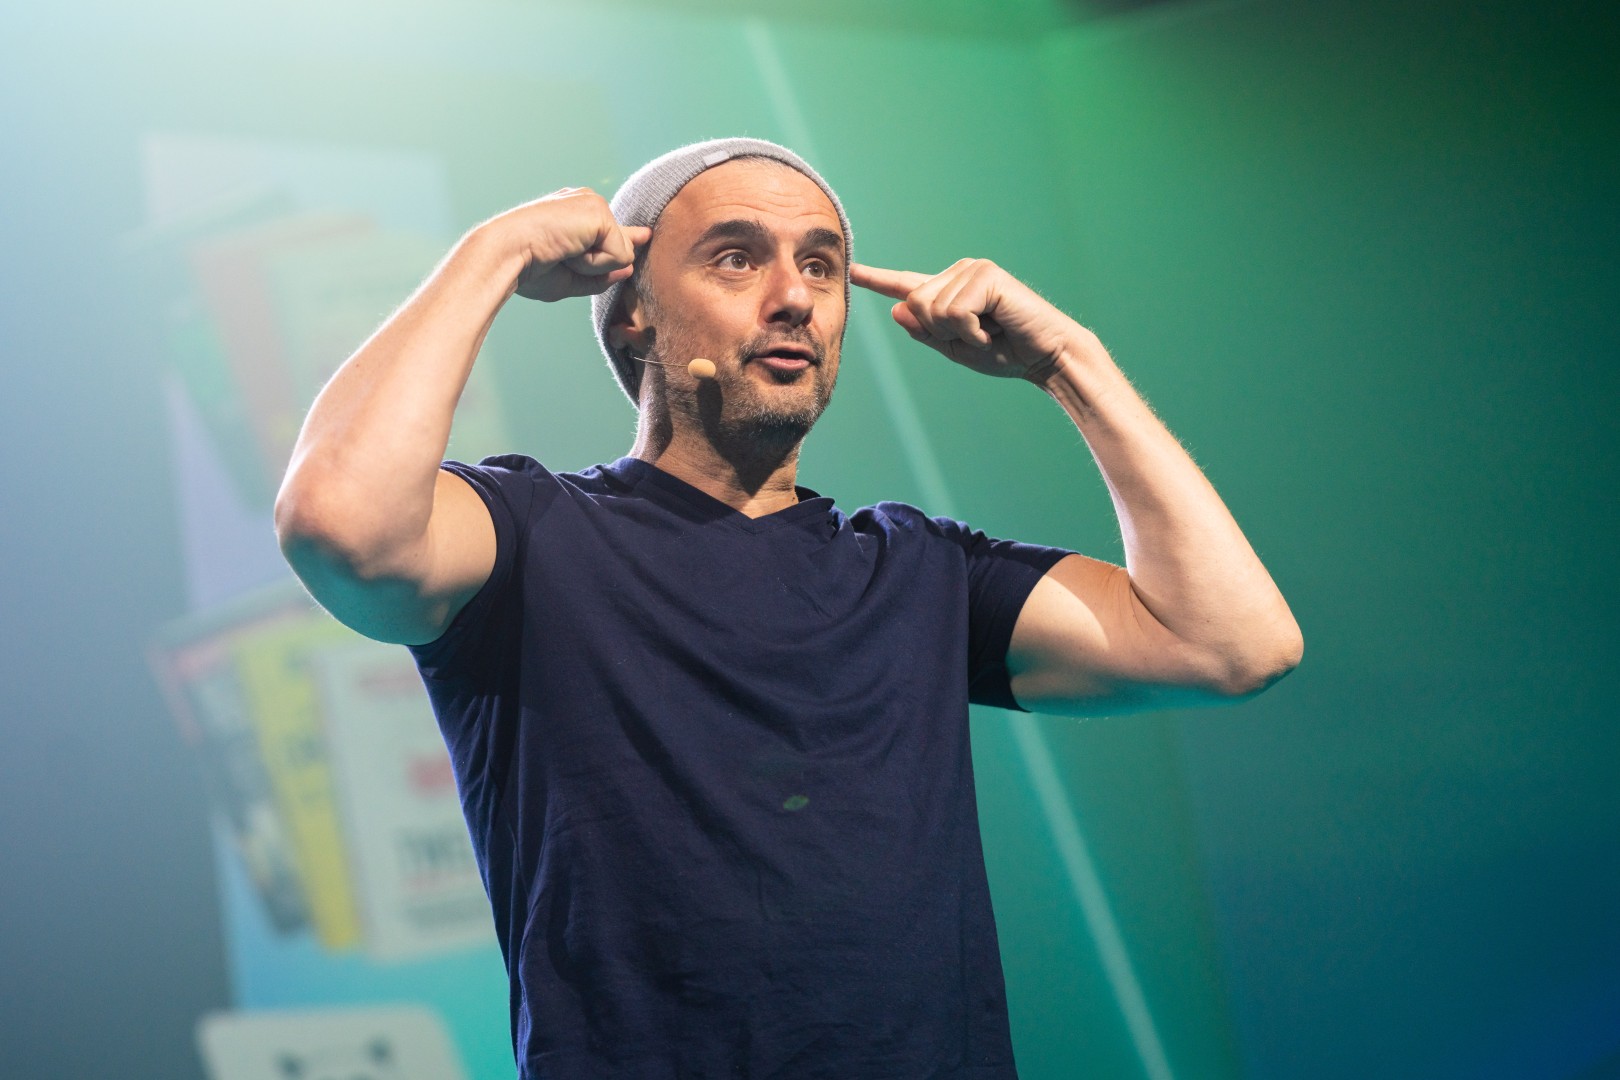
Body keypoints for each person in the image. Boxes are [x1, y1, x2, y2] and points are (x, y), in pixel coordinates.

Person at [275, 137, 1302, 1079]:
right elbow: (338, 522)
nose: (793, 297)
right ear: (630, 308)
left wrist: (1068, 363)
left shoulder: (919, 573)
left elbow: (1230, 643)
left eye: (819, 264)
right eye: (735, 257)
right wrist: (490, 256)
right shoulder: (529, 537)